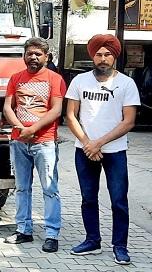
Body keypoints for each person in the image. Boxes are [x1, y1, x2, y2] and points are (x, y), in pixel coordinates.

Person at [65, 34, 140, 265]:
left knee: (118, 200)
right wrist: (88, 143)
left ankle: (120, 246)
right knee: (88, 198)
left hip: (115, 152)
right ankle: (92, 241)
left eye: (107, 54)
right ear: (93, 56)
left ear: (114, 57)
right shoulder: (80, 81)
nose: (103, 58)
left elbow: (128, 121)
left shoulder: (126, 83)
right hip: (84, 151)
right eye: (99, 54)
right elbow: (70, 115)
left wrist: (99, 143)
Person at [3, 37, 65, 253]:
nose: (33, 57)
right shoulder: (16, 78)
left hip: (45, 141)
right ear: (24, 56)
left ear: (46, 57)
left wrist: (33, 129)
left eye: (38, 54)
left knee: (50, 189)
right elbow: (8, 108)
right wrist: (21, 128)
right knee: (22, 188)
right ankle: (24, 230)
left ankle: (51, 234)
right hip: (19, 142)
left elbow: (56, 110)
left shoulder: (55, 79)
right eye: (30, 53)